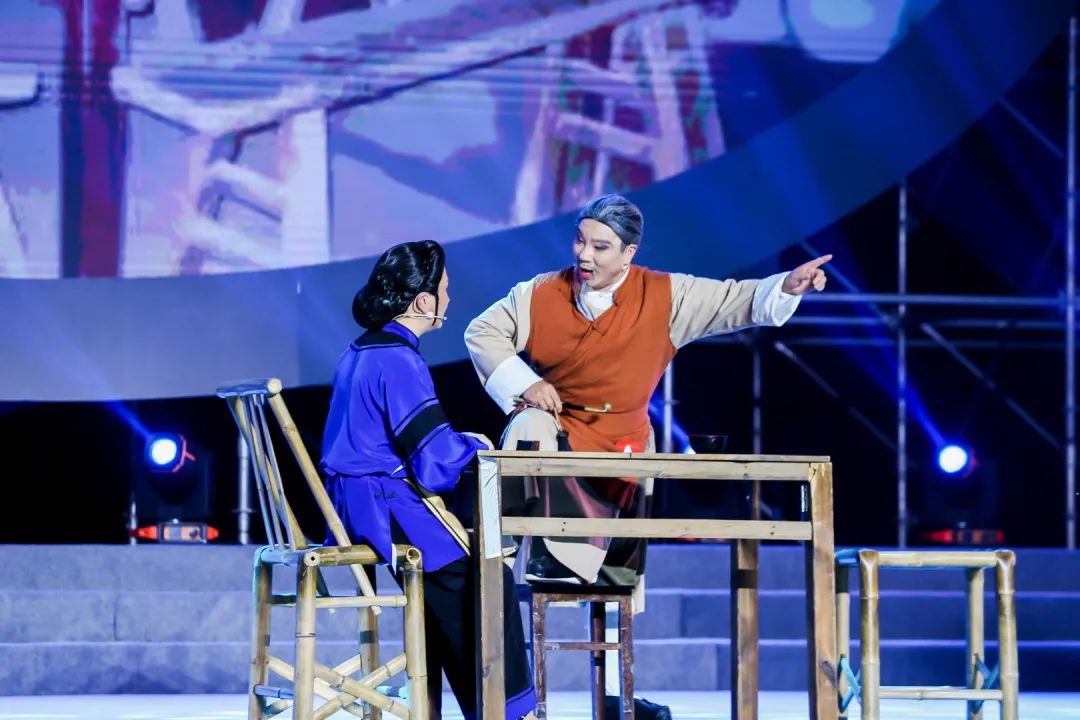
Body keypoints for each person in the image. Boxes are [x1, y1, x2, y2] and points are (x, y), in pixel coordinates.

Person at [465, 194, 830, 587]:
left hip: (620, 441)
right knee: (528, 425)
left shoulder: (664, 295)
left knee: (610, 561)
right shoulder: (540, 292)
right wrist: (528, 384)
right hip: (557, 427)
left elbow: (732, 298)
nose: (584, 255)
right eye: (580, 241)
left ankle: (587, 566)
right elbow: (482, 331)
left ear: (628, 253)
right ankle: (505, 554)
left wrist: (787, 286)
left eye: (600, 247)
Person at [320, 240, 536, 720]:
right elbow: (435, 463)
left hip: (350, 505)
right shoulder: (398, 360)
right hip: (384, 509)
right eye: (445, 289)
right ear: (423, 301)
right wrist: (475, 444)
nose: (449, 299)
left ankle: (446, 705)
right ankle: (504, 711)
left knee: (458, 576)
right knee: (488, 577)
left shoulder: (357, 352)